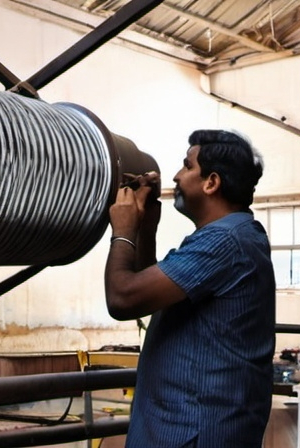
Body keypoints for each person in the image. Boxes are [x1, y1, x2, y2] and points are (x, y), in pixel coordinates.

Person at [105, 129, 275, 447]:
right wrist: (146, 226)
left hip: (191, 433)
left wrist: (124, 230)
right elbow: (147, 294)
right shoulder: (235, 235)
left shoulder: (224, 242)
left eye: (187, 166)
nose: (176, 176)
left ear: (211, 182)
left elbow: (123, 297)